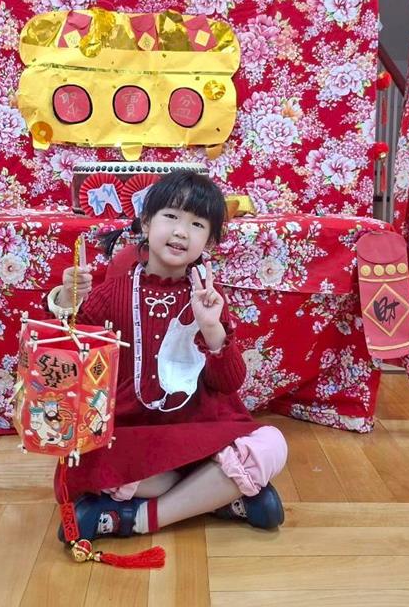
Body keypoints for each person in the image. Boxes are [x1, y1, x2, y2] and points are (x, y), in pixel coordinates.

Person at [48, 170, 287, 539]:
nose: (181, 232)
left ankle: (137, 518)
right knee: (83, 457)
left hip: (201, 430)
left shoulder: (208, 298)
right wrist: (68, 299)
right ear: (146, 222)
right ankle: (216, 496)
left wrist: (212, 328)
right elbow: (69, 352)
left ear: (208, 241)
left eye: (197, 224)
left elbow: (229, 383)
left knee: (271, 445)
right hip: (131, 434)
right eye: (171, 216)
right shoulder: (111, 293)